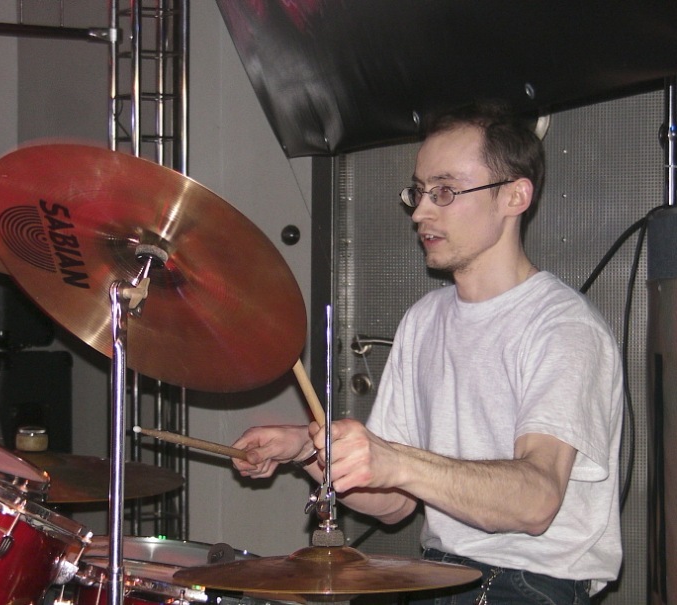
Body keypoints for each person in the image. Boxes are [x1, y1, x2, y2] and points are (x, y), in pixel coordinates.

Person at [231, 102, 623, 604]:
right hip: (440, 573)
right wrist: (308, 449)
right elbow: (394, 504)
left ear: (514, 196)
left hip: (528, 582)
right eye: (418, 192)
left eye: (445, 191)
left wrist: (395, 460)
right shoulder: (424, 319)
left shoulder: (562, 326)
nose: (419, 212)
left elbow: (537, 500)